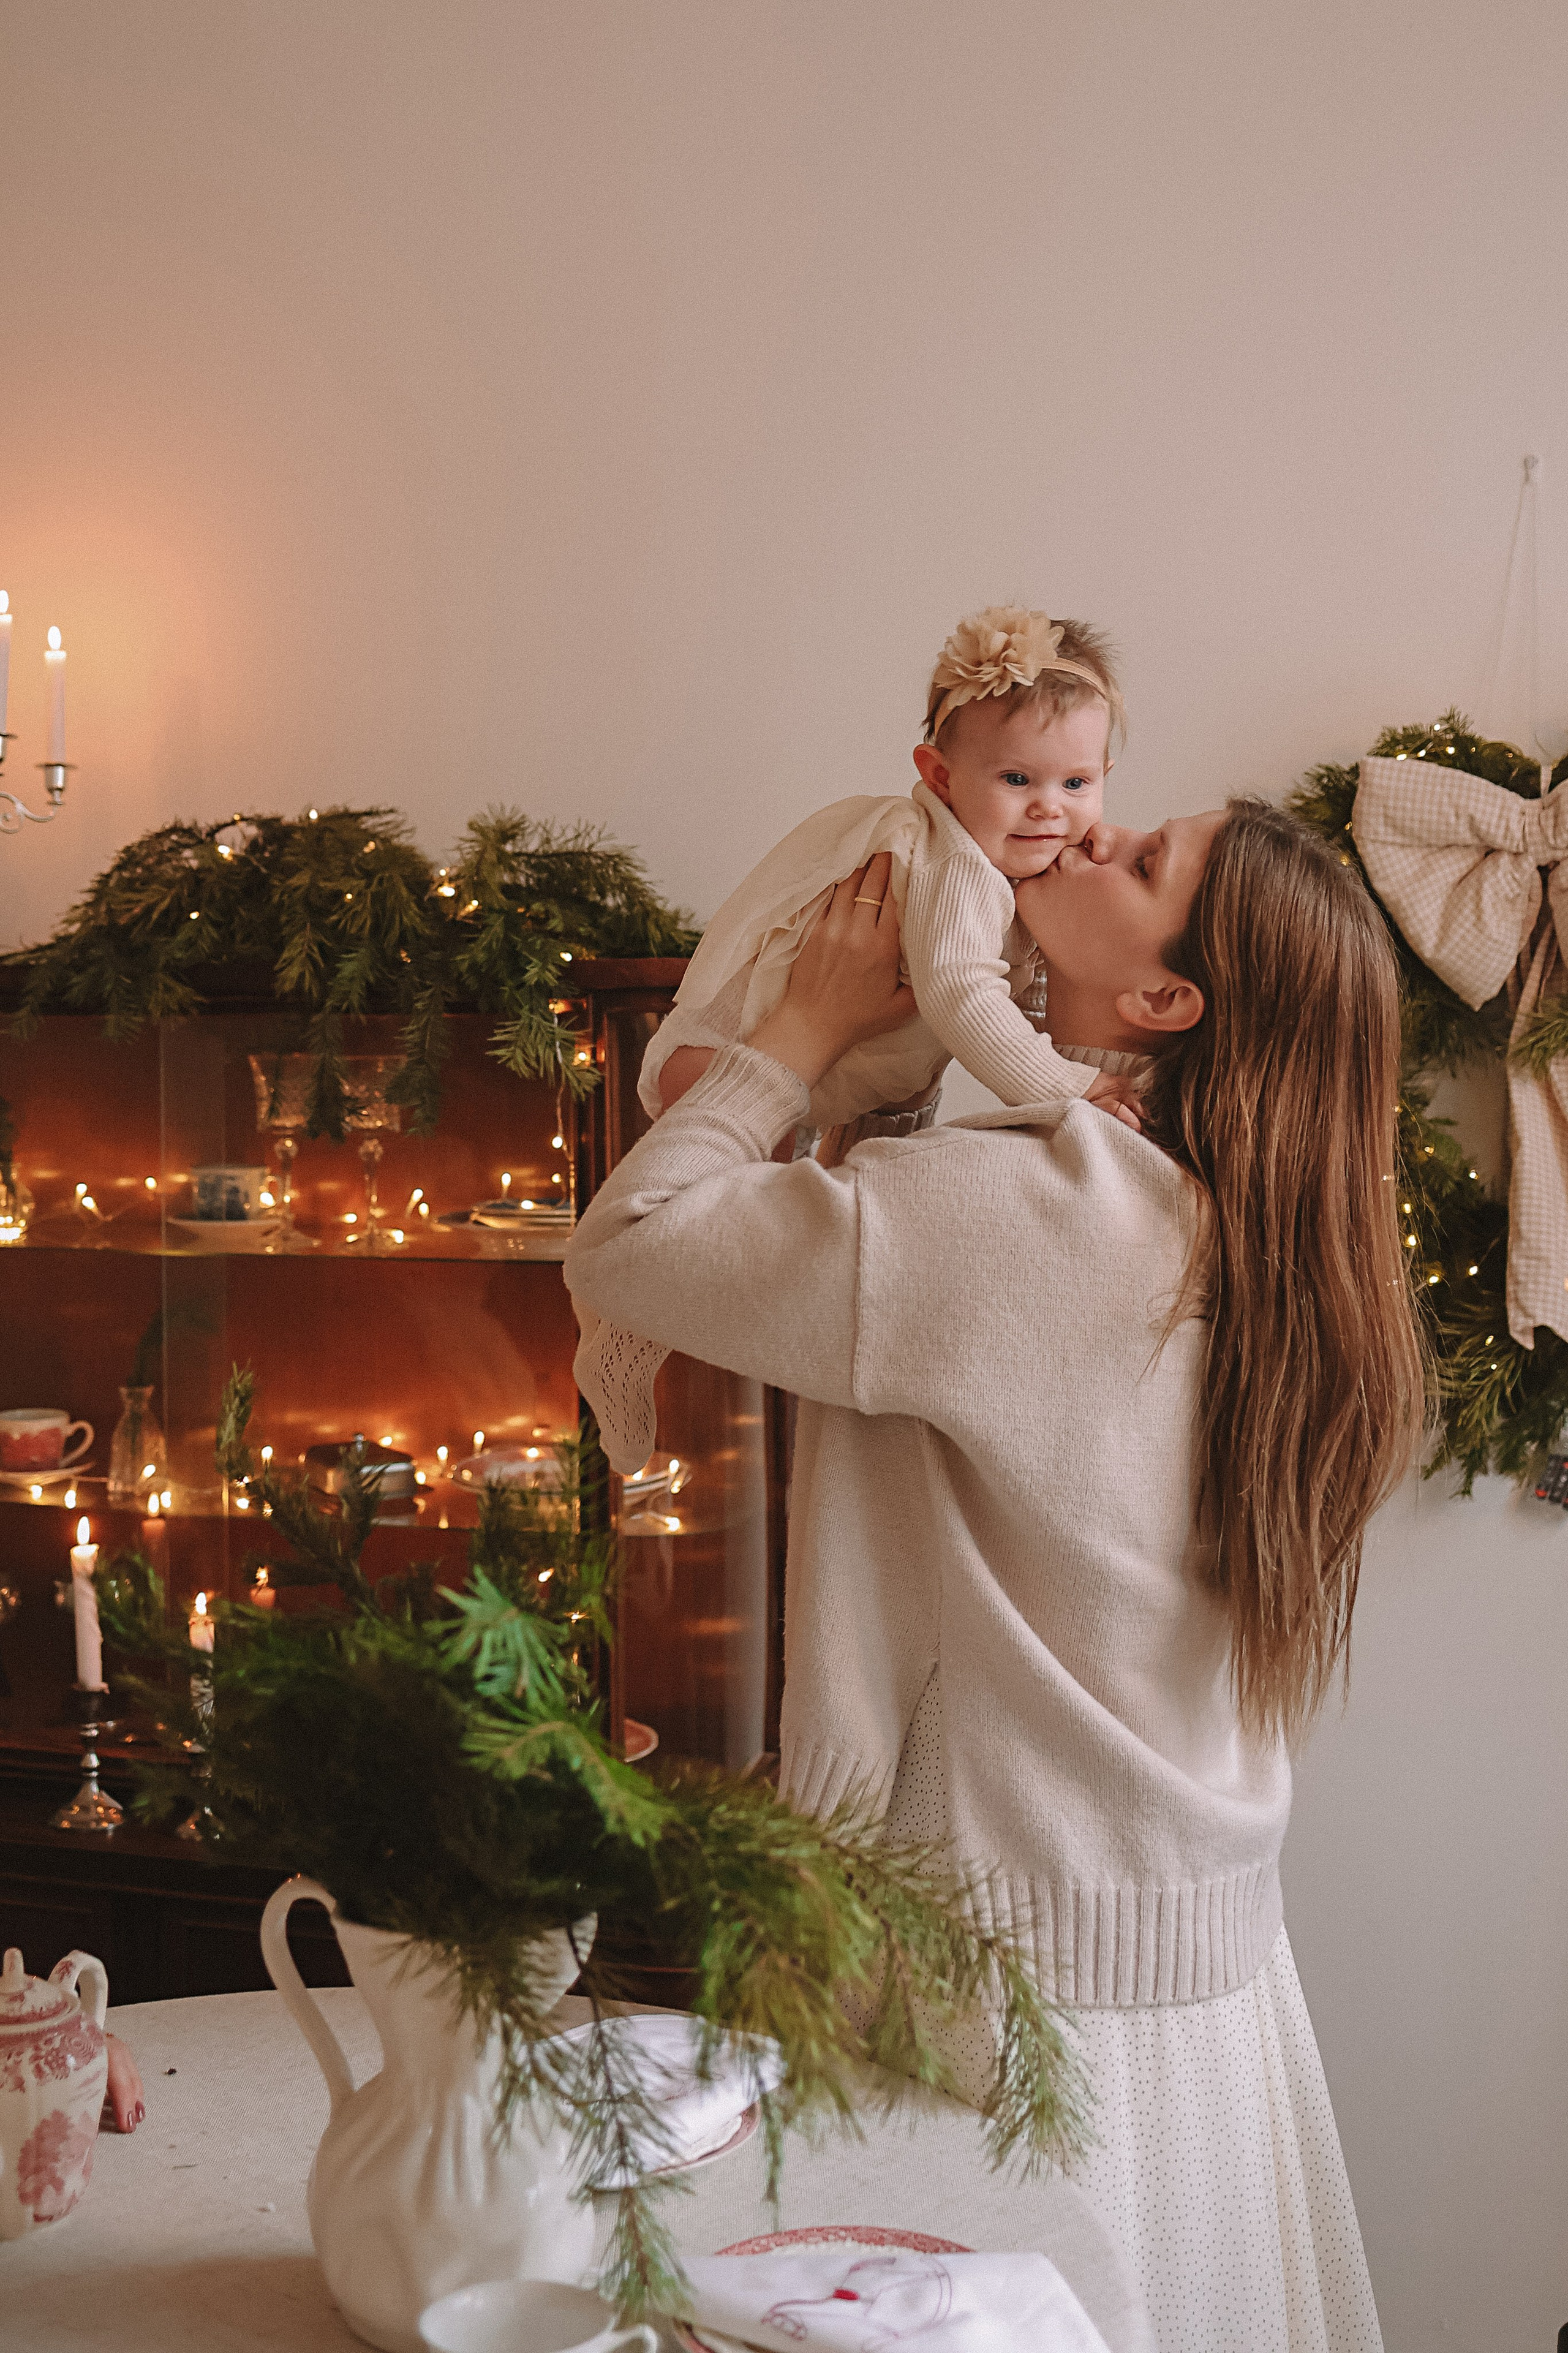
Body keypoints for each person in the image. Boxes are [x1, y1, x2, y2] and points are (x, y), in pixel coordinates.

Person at [562, 807, 1423, 2353]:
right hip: (1208, 1998)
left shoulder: (1031, 1210)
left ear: (1164, 1003)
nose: (1085, 833)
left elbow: (628, 1243)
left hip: (1003, 2005)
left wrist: (797, 1028)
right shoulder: (1275, 1239)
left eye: (1141, 860)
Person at [574, 605, 1142, 1475]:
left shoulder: (1002, 870)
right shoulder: (952, 863)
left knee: (766, 1255)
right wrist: (1071, 1086)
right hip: (732, 1059)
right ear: (940, 775)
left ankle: (627, 1362)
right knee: (681, 1255)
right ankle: (617, 1363)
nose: (1051, 813)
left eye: (1077, 785)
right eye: (1018, 779)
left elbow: (1001, 1004)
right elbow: (959, 992)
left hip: (814, 1078)